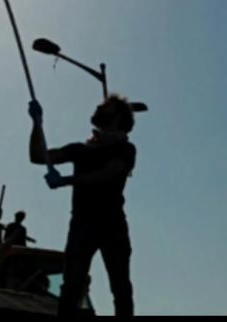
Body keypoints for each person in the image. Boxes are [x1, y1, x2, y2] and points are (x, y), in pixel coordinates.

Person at [28, 94, 137, 317]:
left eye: (106, 107)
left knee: (121, 288)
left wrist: (66, 180)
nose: (98, 107)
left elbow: (106, 174)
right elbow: (38, 156)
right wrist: (37, 124)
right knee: (71, 287)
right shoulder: (80, 150)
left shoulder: (126, 150)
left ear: (118, 118)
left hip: (112, 225)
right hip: (81, 225)